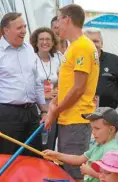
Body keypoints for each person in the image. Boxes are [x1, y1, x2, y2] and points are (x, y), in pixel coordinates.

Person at [43, 4, 100, 181]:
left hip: (76, 119)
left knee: (74, 172)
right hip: (69, 118)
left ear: (67, 19)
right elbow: (66, 84)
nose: (57, 25)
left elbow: (78, 88)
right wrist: (53, 106)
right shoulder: (73, 46)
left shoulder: (82, 46)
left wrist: (56, 110)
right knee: (67, 169)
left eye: (58, 20)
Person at [0, 12, 47, 156]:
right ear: (6, 30)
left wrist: (44, 110)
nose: (23, 31)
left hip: (32, 113)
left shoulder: (29, 49)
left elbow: (37, 82)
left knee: (35, 156)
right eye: (19, 28)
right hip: (6, 114)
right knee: (8, 157)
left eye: (24, 26)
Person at [43, 107, 118, 182]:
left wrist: (90, 172)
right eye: (92, 128)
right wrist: (56, 155)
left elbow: (113, 178)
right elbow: (79, 159)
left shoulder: (113, 151)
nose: (93, 132)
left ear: (111, 129)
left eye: (97, 128)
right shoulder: (99, 145)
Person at [30, 27, 61, 150]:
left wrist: (57, 90)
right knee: (38, 142)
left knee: (51, 141)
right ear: (36, 42)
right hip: (37, 107)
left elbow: (64, 78)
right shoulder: (31, 58)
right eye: (41, 39)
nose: (45, 42)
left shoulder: (58, 57)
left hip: (54, 106)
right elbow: (29, 83)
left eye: (48, 39)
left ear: (53, 42)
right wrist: (43, 95)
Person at [84, 28, 118, 109]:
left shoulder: (114, 60)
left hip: (108, 113)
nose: (92, 44)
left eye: (95, 41)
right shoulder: (78, 61)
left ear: (102, 43)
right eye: (88, 41)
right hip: (82, 112)